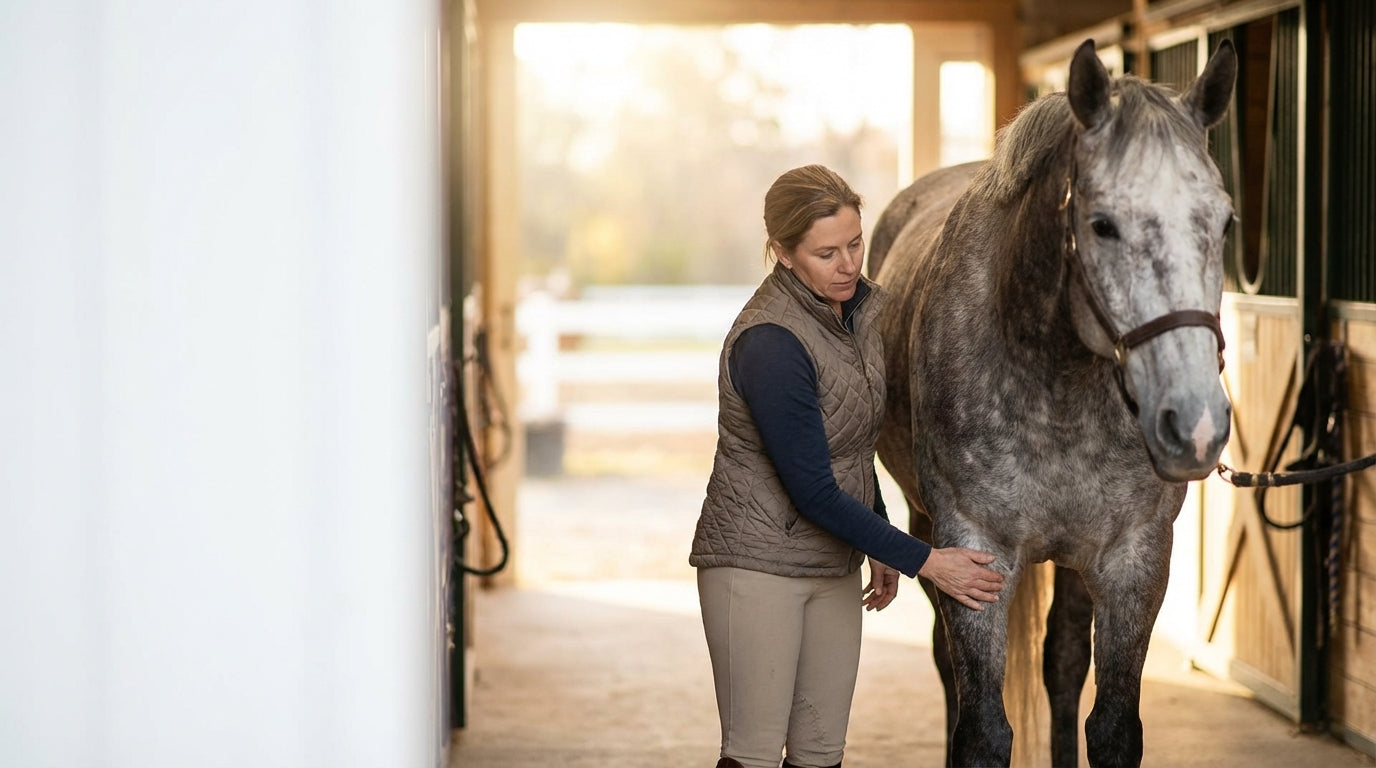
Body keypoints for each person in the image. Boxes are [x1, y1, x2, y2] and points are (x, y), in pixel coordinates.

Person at [689, 164, 1006, 768]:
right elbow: (811, 487)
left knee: (819, 753)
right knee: (753, 754)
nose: (848, 265)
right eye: (825, 252)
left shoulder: (859, 317)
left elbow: (856, 447)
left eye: (855, 244)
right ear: (782, 253)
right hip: (755, 568)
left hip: (832, 563)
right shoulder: (771, 343)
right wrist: (926, 560)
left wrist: (881, 542)